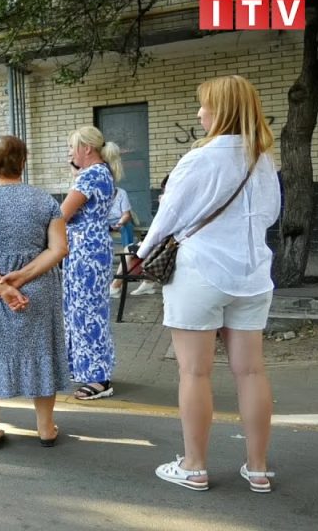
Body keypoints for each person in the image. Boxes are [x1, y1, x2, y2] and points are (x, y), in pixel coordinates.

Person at [131, 75, 280, 493]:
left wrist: (142, 255)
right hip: (252, 275)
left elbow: (167, 220)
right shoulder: (263, 160)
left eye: (205, 105)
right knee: (251, 372)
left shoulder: (199, 159)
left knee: (194, 372)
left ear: (223, 110)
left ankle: (194, 466)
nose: (200, 113)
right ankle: (258, 468)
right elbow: (268, 216)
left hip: (200, 273)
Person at [0, 136, 70, 451]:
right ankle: (46, 428)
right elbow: (59, 248)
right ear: (23, 162)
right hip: (38, 288)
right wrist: (23, 277)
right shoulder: (45, 201)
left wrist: (2, 286)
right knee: (41, 351)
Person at [61, 125, 123, 400]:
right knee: (85, 310)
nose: (70, 153)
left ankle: (99, 378)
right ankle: (90, 371)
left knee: (86, 312)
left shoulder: (91, 175)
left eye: (73, 147)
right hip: (91, 246)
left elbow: (62, 213)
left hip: (85, 248)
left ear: (87, 148)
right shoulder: (100, 173)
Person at [110, 176, 169, 298]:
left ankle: (116, 286)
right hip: (166, 244)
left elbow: (161, 230)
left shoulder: (171, 208)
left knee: (130, 250)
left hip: (166, 246)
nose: (160, 196)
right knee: (133, 249)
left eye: (164, 191)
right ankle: (147, 283)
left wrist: (143, 244)